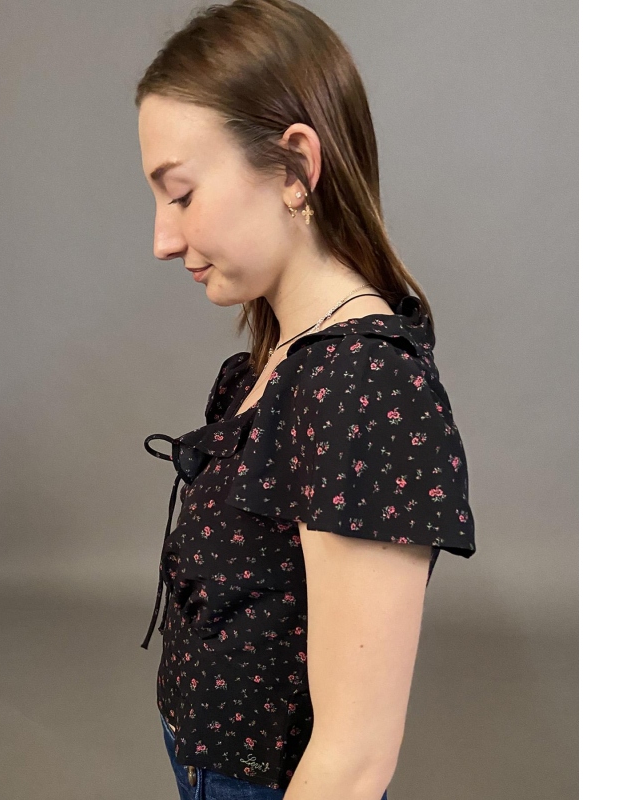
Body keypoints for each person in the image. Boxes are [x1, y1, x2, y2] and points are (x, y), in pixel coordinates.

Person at [134, 1, 477, 798]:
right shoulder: (287, 359)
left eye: (181, 194)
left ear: (294, 168)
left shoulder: (363, 387)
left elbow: (353, 761)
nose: (162, 239)